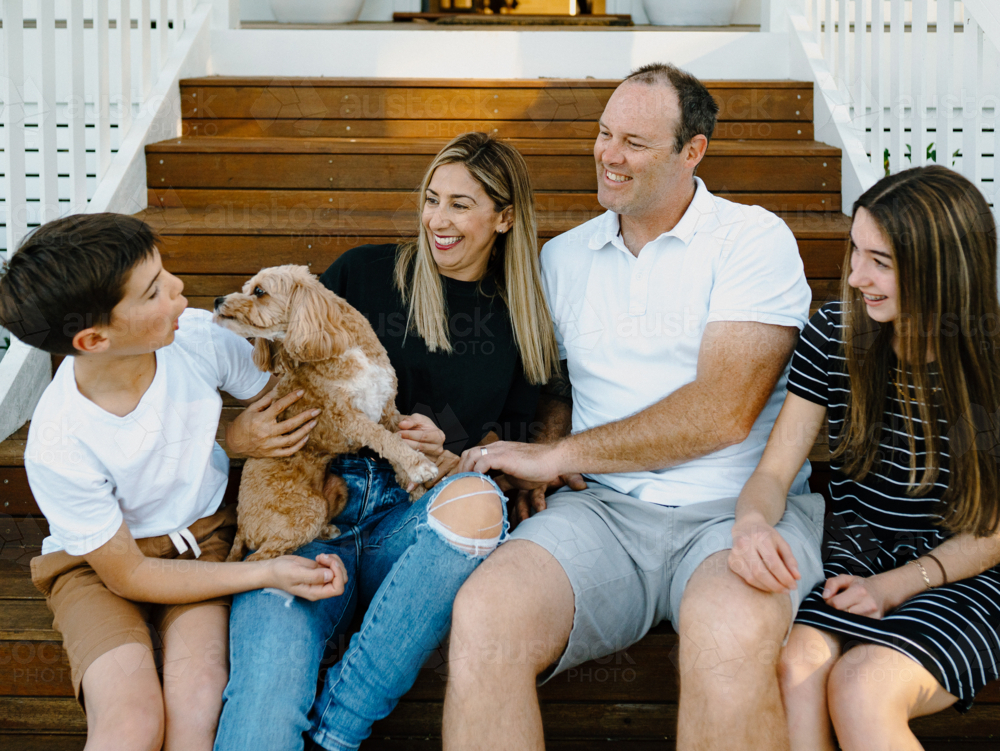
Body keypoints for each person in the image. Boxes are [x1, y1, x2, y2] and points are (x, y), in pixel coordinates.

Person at [449, 63, 824, 750]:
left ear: (693, 152)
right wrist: (543, 453)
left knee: (730, 640)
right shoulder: (564, 259)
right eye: (603, 134)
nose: (608, 155)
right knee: (485, 613)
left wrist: (557, 453)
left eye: (634, 142)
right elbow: (557, 382)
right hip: (602, 513)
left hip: (735, 513)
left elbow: (720, 412)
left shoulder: (752, 240)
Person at [214, 132, 561, 751]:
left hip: (408, 522)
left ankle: (335, 731)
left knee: (478, 498)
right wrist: (235, 437)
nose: (438, 220)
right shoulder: (364, 272)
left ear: (505, 218)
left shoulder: (518, 314)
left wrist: (451, 454)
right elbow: (283, 360)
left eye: (461, 204)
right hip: (306, 504)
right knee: (263, 717)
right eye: (432, 199)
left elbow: (507, 439)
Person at [0, 213, 349, 751]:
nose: (178, 288)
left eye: (165, 273)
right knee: (131, 723)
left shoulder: (195, 338)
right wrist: (266, 573)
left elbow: (293, 394)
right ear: (95, 338)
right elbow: (131, 574)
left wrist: (239, 441)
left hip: (202, 541)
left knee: (199, 701)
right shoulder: (59, 442)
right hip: (97, 569)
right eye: (153, 290)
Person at [755, 166, 1000, 750]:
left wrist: (898, 587)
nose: (857, 277)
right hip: (855, 559)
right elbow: (772, 472)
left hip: (965, 569)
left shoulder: (989, 363)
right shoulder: (836, 334)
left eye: (882, 262)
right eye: (855, 252)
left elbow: (993, 529)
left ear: (943, 270)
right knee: (796, 667)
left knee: (862, 686)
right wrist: (750, 524)